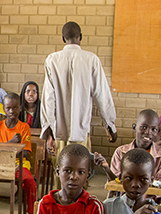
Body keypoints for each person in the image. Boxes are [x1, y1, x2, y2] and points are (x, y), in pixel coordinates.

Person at [41, 21, 118, 157]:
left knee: (61, 171)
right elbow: (102, 95)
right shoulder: (91, 59)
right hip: (81, 131)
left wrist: (48, 130)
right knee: (80, 170)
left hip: (59, 132)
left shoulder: (52, 60)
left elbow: (48, 98)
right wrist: (110, 125)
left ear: (63, 39)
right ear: (80, 37)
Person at [0, 93, 38, 214]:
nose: (11, 112)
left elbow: (25, 153)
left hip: (18, 164)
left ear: (20, 108)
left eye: (15, 108)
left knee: (30, 182)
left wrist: (6, 150)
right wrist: (11, 145)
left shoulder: (24, 127)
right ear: (4, 108)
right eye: (8, 108)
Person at [96, 109, 161, 183]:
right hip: (125, 195)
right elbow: (115, 183)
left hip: (151, 196)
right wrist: (106, 168)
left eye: (154, 129)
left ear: (158, 131)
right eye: (144, 127)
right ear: (134, 127)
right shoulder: (121, 152)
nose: (148, 132)